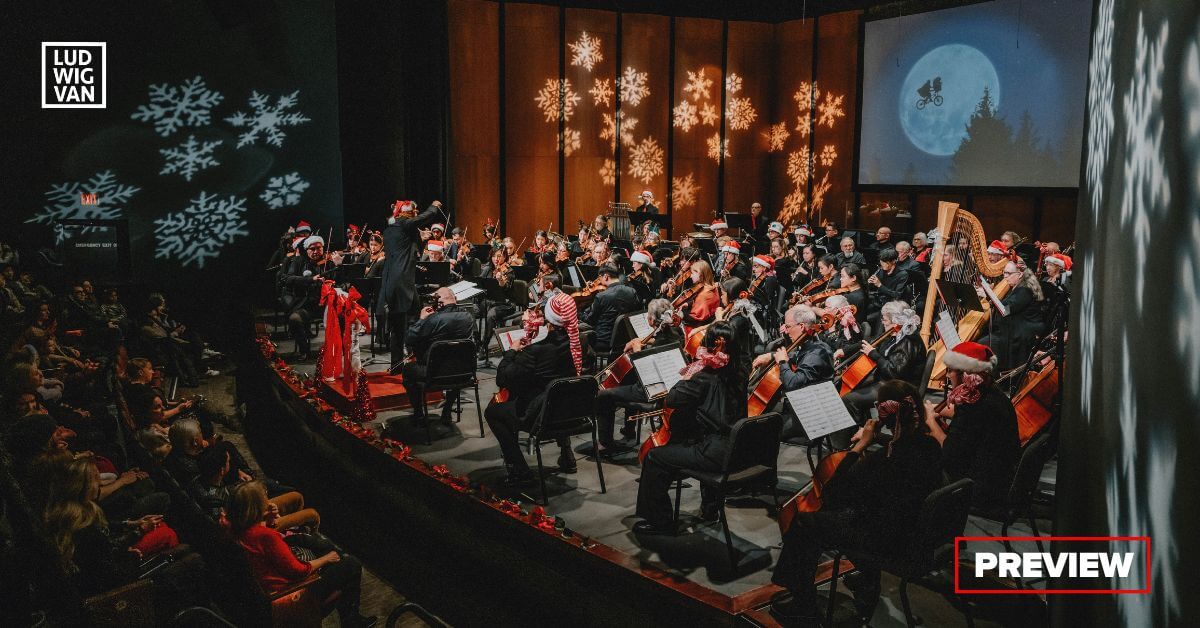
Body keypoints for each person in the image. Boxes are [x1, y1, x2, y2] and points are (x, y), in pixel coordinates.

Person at [771, 381, 943, 625]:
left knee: (805, 523)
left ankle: (803, 604)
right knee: (854, 509)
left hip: (890, 541)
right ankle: (867, 580)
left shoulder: (885, 461)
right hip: (915, 534)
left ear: (884, 415)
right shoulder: (930, 447)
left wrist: (861, 445)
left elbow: (833, 493)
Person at [633, 322, 742, 534]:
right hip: (737, 448)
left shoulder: (703, 378)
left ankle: (660, 522)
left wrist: (690, 374)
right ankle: (710, 508)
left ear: (711, 346)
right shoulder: (739, 372)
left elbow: (673, 398)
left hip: (715, 453)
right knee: (694, 436)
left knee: (655, 457)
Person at [228, 481, 375, 627]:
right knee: (352, 564)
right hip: (291, 594)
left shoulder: (235, 529)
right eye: (264, 498)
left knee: (318, 548)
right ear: (257, 506)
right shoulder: (266, 537)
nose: (267, 500)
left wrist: (270, 520)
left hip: (265, 589)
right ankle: (351, 622)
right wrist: (326, 559)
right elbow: (298, 571)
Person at [485, 293, 584, 486]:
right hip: (571, 411)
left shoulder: (536, 351)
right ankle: (567, 455)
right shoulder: (578, 343)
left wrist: (512, 352)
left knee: (493, 412)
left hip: (543, 415)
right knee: (559, 392)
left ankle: (520, 470)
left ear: (549, 320)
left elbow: (502, 379)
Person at [923, 342, 1020, 511]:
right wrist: (936, 410)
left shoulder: (972, 407)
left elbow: (950, 454)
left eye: (950, 370)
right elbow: (968, 421)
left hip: (979, 489)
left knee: (921, 464)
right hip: (998, 478)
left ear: (965, 374)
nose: (947, 375)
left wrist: (931, 421)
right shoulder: (989, 393)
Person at [594, 299, 682, 454]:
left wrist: (637, 351)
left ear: (651, 320)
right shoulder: (676, 332)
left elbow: (645, 372)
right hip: (671, 387)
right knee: (629, 380)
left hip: (653, 390)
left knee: (603, 395)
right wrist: (641, 341)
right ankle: (629, 430)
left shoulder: (660, 340)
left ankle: (605, 444)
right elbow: (661, 340)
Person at [396, 287, 475, 427]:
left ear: (440, 302)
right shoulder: (468, 317)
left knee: (408, 370)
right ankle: (447, 411)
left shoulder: (433, 319)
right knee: (455, 365)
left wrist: (421, 319)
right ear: (455, 299)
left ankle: (419, 414)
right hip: (464, 373)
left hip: (435, 374)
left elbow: (409, 338)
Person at [751, 305, 833, 435]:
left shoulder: (815, 355)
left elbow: (793, 384)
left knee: (762, 433)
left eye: (788, 326)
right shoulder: (813, 346)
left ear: (801, 326)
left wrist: (783, 362)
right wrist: (771, 356)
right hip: (801, 408)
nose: (786, 331)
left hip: (808, 418)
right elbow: (796, 355)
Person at [841, 301, 925, 425]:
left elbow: (894, 372)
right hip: (887, 381)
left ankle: (857, 433)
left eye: (885, 320)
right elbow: (874, 343)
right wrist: (846, 349)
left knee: (848, 399)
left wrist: (873, 354)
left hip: (899, 387)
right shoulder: (896, 334)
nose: (882, 322)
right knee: (850, 387)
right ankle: (863, 426)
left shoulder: (908, 341)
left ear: (896, 322)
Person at [380, 199, 443, 366]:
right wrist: (434, 207)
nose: (416, 213)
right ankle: (399, 363)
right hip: (399, 283)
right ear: (407, 212)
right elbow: (424, 217)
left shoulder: (397, 229)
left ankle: (412, 355)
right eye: (414, 211)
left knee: (415, 317)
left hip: (402, 281)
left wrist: (422, 240)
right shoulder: (403, 223)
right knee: (399, 325)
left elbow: (411, 253)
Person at [278, 234, 340, 360]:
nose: (316, 251)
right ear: (306, 250)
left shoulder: (330, 263)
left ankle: (339, 349)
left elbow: (341, 282)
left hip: (327, 305)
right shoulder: (298, 261)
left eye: (319, 248)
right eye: (313, 249)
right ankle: (304, 350)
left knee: (344, 314)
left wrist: (339, 266)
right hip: (306, 306)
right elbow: (286, 278)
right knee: (294, 319)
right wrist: (310, 279)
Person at [978, 261, 1045, 371]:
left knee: (983, 344)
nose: (1005, 276)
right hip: (1011, 329)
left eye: (1008, 273)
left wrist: (988, 295)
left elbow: (1006, 310)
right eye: (1004, 273)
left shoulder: (1025, 290)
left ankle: (994, 375)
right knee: (984, 338)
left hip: (1020, 334)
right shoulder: (1016, 287)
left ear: (1020, 274)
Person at [582, 265, 641, 355]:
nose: (599, 280)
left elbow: (590, 320)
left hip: (604, 340)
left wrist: (581, 314)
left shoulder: (601, 296)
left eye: (600, 277)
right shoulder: (632, 291)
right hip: (625, 339)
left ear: (606, 276)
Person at [866, 248, 912, 323]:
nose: (882, 264)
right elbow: (874, 288)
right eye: (881, 262)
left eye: (885, 262)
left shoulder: (902, 274)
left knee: (871, 320)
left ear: (893, 261)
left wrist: (880, 285)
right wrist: (870, 283)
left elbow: (897, 295)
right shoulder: (881, 270)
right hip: (878, 302)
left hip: (890, 306)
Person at [678, 260, 721, 335]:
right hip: (707, 321)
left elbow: (694, 319)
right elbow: (699, 303)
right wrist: (688, 304)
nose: (690, 276)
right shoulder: (712, 287)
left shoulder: (704, 295)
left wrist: (681, 313)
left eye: (692, 273)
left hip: (697, 327)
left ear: (700, 274)